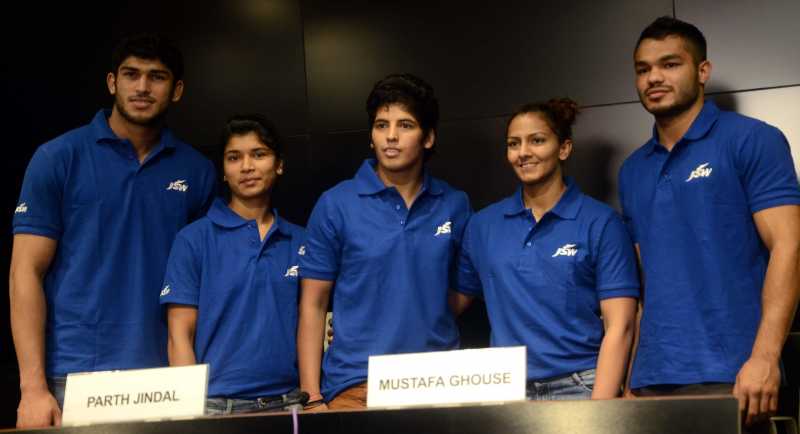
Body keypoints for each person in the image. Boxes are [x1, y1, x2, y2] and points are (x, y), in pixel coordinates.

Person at [10, 33, 216, 428]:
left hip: (166, 376)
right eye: (131, 74)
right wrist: (32, 388)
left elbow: (203, 283)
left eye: (156, 77)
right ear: (111, 82)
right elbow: (25, 273)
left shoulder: (197, 171)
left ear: (177, 90)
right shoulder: (58, 157)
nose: (142, 87)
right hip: (72, 375)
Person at [620, 16, 800, 429]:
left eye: (670, 64)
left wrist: (765, 358)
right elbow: (648, 283)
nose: (654, 78)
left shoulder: (753, 139)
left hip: (734, 376)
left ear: (702, 71)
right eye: (643, 69)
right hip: (652, 382)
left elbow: (789, 248)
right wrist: (633, 377)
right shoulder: (632, 170)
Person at [297, 73, 472, 410]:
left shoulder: (454, 203)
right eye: (381, 125)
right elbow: (313, 304)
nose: (391, 136)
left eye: (405, 125)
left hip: (439, 380)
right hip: (356, 385)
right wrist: (312, 396)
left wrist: (419, 312)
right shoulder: (336, 204)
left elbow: (465, 287)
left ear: (428, 137)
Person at [452, 99, 639, 400]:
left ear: (564, 148)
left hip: (580, 386)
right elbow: (449, 307)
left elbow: (621, 325)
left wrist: (600, 413)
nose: (523, 152)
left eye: (537, 140)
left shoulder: (601, 222)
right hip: (504, 391)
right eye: (514, 143)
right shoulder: (482, 225)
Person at [160, 114, 305, 415]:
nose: (247, 167)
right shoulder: (194, 239)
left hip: (290, 404)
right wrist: (190, 413)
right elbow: (179, 335)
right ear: (224, 172)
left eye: (259, 154)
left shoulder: (301, 240)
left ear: (279, 164)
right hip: (215, 408)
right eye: (234, 158)